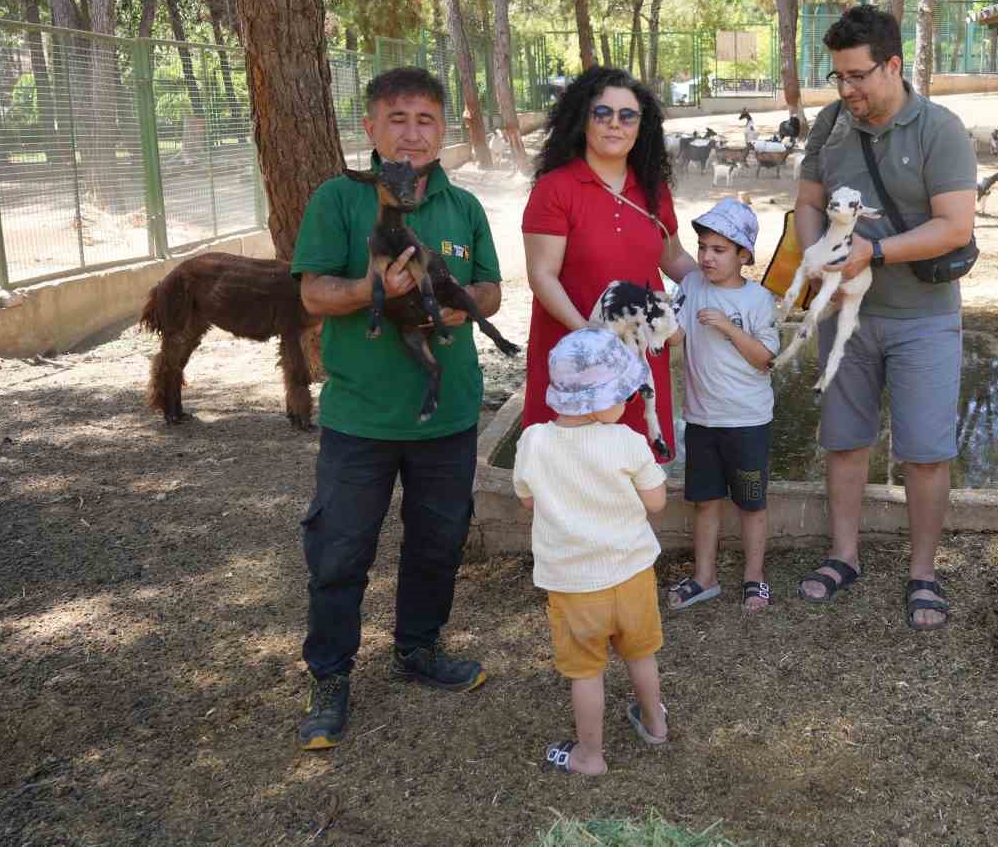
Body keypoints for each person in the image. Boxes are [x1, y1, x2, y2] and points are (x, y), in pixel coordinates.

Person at [290, 67, 501, 750]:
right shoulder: (338, 201)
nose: (412, 134)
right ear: (372, 128)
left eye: (426, 121)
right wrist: (369, 287)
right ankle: (329, 675)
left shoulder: (462, 206)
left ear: (443, 133)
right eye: (398, 119)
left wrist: (444, 307)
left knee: (438, 543)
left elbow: (491, 289)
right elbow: (314, 295)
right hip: (361, 417)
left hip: (449, 414)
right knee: (340, 549)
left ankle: (417, 649)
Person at [793, 4, 978, 630]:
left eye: (858, 77)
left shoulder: (940, 129)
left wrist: (876, 252)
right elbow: (808, 199)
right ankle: (843, 556)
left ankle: (923, 573)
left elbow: (955, 226)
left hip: (921, 318)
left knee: (925, 453)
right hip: (846, 316)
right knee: (845, 442)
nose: (847, 90)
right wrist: (818, 254)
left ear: (893, 65)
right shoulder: (830, 123)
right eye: (838, 77)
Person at [514, 328, 670, 776]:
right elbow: (656, 502)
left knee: (586, 671)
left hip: (573, 585)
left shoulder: (534, 442)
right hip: (634, 575)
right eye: (622, 393)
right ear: (599, 402)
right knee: (641, 654)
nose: (628, 402)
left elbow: (528, 499)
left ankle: (590, 754)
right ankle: (655, 723)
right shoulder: (626, 441)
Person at [522, 66, 697, 458]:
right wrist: (593, 338)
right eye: (603, 113)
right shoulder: (556, 189)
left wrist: (725, 284)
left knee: (635, 475)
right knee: (569, 477)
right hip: (575, 357)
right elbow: (542, 275)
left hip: (638, 358)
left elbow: (674, 258)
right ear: (582, 120)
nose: (614, 125)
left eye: (627, 116)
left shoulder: (653, 190)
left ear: (641, 126)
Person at [664, 198, 780, 613]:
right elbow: (674, 334)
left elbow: (766, 359)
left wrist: (729, 328)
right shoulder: (691, 286)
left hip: (747, 422)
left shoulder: (759, 300)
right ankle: (705, 576)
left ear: (743, 254)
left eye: (719, 250)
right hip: (701, 420)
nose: (707, 258)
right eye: (703, 248)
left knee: (751, 501)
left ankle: (754, 577)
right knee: (705, 500)